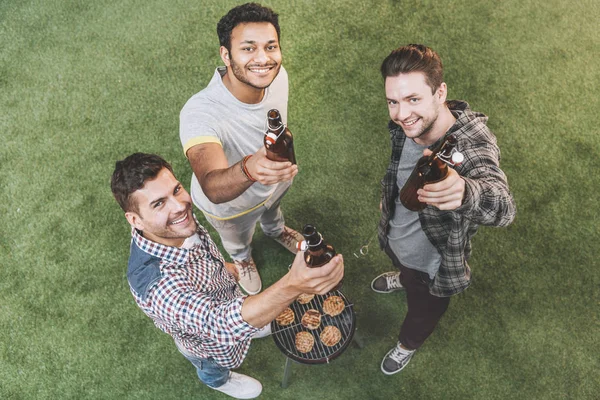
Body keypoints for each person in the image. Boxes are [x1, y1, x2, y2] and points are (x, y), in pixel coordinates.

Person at [110, 153, 344, 399]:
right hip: (207, 344)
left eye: (176, 190)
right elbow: (219, 323)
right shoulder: (159, 287)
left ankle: (250, 328)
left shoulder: (172, 225)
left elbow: (197, 251)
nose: (179, 206)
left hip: (227, 299)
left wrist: (223, 267)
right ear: (135, 220)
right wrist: (293, 285)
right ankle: (220, 382)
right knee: (212, 367)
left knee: (246, 321)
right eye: (158, 203)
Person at [370, 44, 516, 375]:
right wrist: (390, 199)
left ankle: (407, 344)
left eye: (413, 99)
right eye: (393, 101)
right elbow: (399, 166)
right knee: (406, 270)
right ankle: (403, 277)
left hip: (432, 265)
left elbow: (504, 207)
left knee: (423, 310)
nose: (401, 114)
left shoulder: (470, 143)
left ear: (441, 93)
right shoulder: (408, 125)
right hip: (398, 237)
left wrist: (465, 190)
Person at [179, 3, 301, 296]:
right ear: (226, 54)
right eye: (248, 48)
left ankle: (275, 230)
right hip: (232, 208)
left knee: (273, 212)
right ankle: (242, 258)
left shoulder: (278, 76)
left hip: (276, 180)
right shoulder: (200, 112)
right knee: (237, 239)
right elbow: (212, 186)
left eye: (271, 46)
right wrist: (250, 167)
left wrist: (271, 170)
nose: (263, 58)